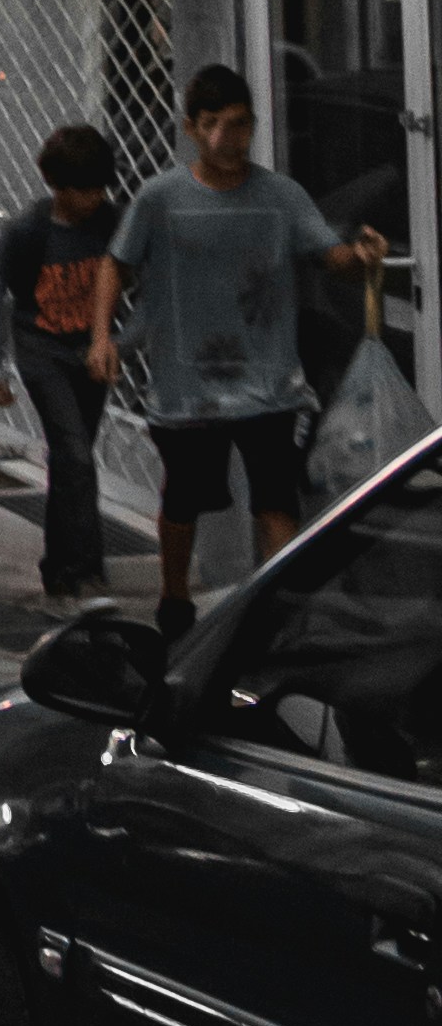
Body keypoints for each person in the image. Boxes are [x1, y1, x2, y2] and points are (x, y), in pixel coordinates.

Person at [90, 59, 394, 619]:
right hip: (188, 392)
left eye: (239, 124)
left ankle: (274, 607)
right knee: (182, 500)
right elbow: (116, 264)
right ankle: (175, 597)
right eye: (212, 124)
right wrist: (100, 338)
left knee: (275, 500)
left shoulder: (280, 196)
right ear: (190, 128)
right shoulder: (161, 198)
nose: (226, 139)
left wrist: (362, 256)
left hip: (270, 386)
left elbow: (331, 257)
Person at [0, 120, 123, 600]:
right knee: (76, 454)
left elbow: (143, 279)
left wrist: (123, 341)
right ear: (56, 186)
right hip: (42, 349)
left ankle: (60, 564)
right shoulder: (28, 230)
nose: (92, 201)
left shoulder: (110, 222)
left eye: (98, 190)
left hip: (91, 352)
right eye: (82, 191)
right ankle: (86, 568)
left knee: (71, 459)